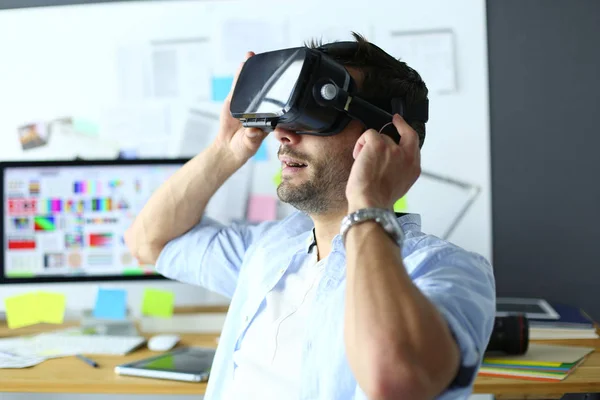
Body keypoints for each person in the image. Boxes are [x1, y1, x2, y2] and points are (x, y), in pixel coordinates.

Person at [125, 33, 496, 400]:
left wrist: (369, 203)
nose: (282, 135)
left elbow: (394, 379)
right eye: (285, 118)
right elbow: (148, 242)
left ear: (386, 137)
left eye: (314, 116)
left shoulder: (445, 270)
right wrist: (227, 149)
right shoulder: (268, 251)